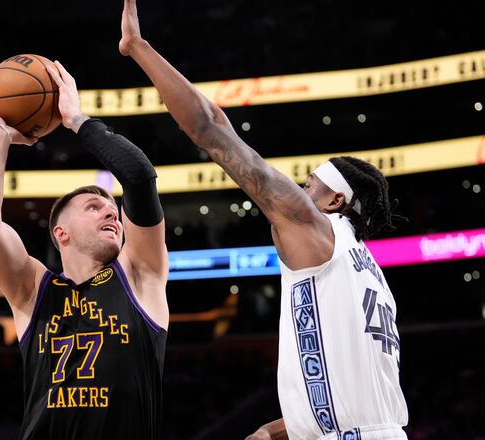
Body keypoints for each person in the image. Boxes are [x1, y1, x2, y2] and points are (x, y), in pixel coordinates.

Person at [118, 1, 408, 438]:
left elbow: (209, 127)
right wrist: (275, 432)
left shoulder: (315, 227)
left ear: (335, 201)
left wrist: (138, 47)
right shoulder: (368, 270)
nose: (298, 193)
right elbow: (356, 403)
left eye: (309, 186)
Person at [0, 61, 168, 439]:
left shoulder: (140, 275)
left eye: (113, 209)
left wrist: (77, 119)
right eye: (93, 207)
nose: (111, 213)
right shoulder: (33, 289)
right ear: (61, 233)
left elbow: (139, 178)